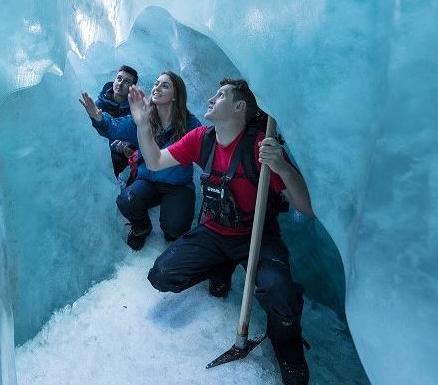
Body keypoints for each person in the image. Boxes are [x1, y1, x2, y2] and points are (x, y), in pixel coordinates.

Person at [128, 78, 315, 385]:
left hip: (256, 236)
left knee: (279, 293)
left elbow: (306, 208)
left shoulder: (261, 146)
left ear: (240, 107)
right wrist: (141, 125)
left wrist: (282, 167)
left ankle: (288, 345)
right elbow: (155, 161)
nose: (212, 99)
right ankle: (221, 265)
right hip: (213, 233)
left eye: (221, 95)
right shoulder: (202, 138)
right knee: (161, 275)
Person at [79, 71, 201, 250]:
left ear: (176, 96)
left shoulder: (189, 124)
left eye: (165, 85)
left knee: (175, 229)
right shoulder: (144, 118)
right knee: (126, 200)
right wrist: (98, 117)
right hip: (148, 181)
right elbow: (114, 127)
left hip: (178, 186)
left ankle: (171, 228)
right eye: (156, 83)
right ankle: (141, 227)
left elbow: (207, 146)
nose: (157, 87)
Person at [94, 65, 139, 176]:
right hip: (100, 151)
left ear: (131, 87)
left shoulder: (134, 109)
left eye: (126, 81)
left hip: (122, 155)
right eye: (119, 78)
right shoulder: (99, 104)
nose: (120, 83)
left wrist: (130, 144)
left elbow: (140, 134)